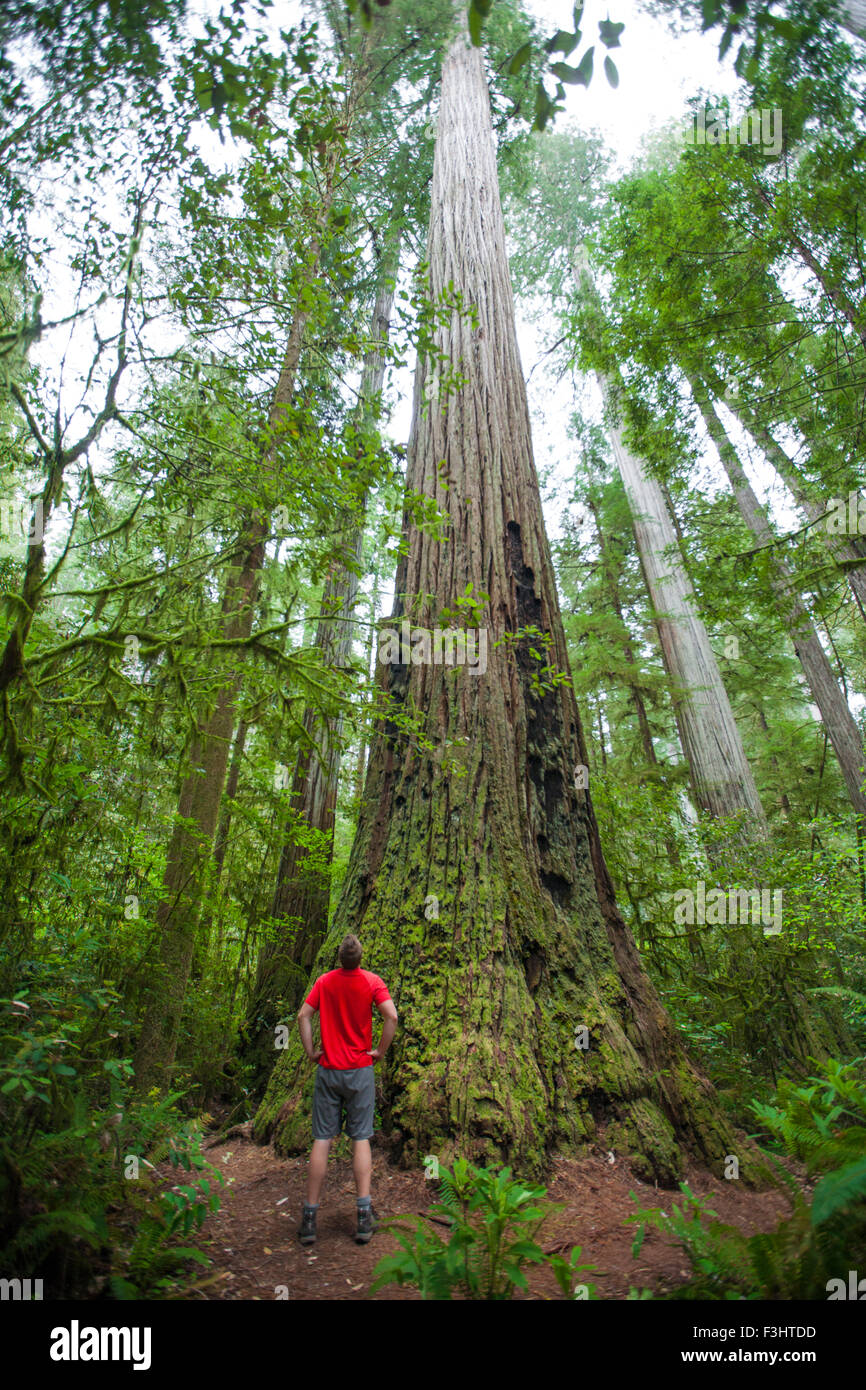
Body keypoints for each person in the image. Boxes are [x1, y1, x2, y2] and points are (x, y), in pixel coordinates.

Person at [296, 933, 398, 1246]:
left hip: (328, 1071)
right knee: (361, 1139)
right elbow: (391, 1015)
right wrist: (380, 1050)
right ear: (360, 958)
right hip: (359, 1071)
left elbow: (303, 1015)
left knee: (322, 1139)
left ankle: (310, 1218)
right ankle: (364, 1216)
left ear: (339, 958)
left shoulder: (325, 982)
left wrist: (311, 1051)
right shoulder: (372, 981)